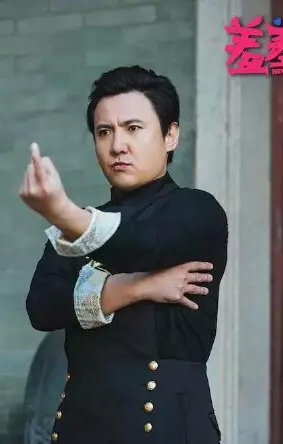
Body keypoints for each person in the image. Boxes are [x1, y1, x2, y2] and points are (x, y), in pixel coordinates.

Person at [20, 66, 228, 444]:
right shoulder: (82, 225)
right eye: (105, 132)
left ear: (170, 135)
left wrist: (63, 213)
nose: (118, 145)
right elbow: (42, 307)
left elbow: (140, 242)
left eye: (133, 128)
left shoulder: (196, 211)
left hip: (166, 429)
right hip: (81, 429)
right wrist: (137, 287)